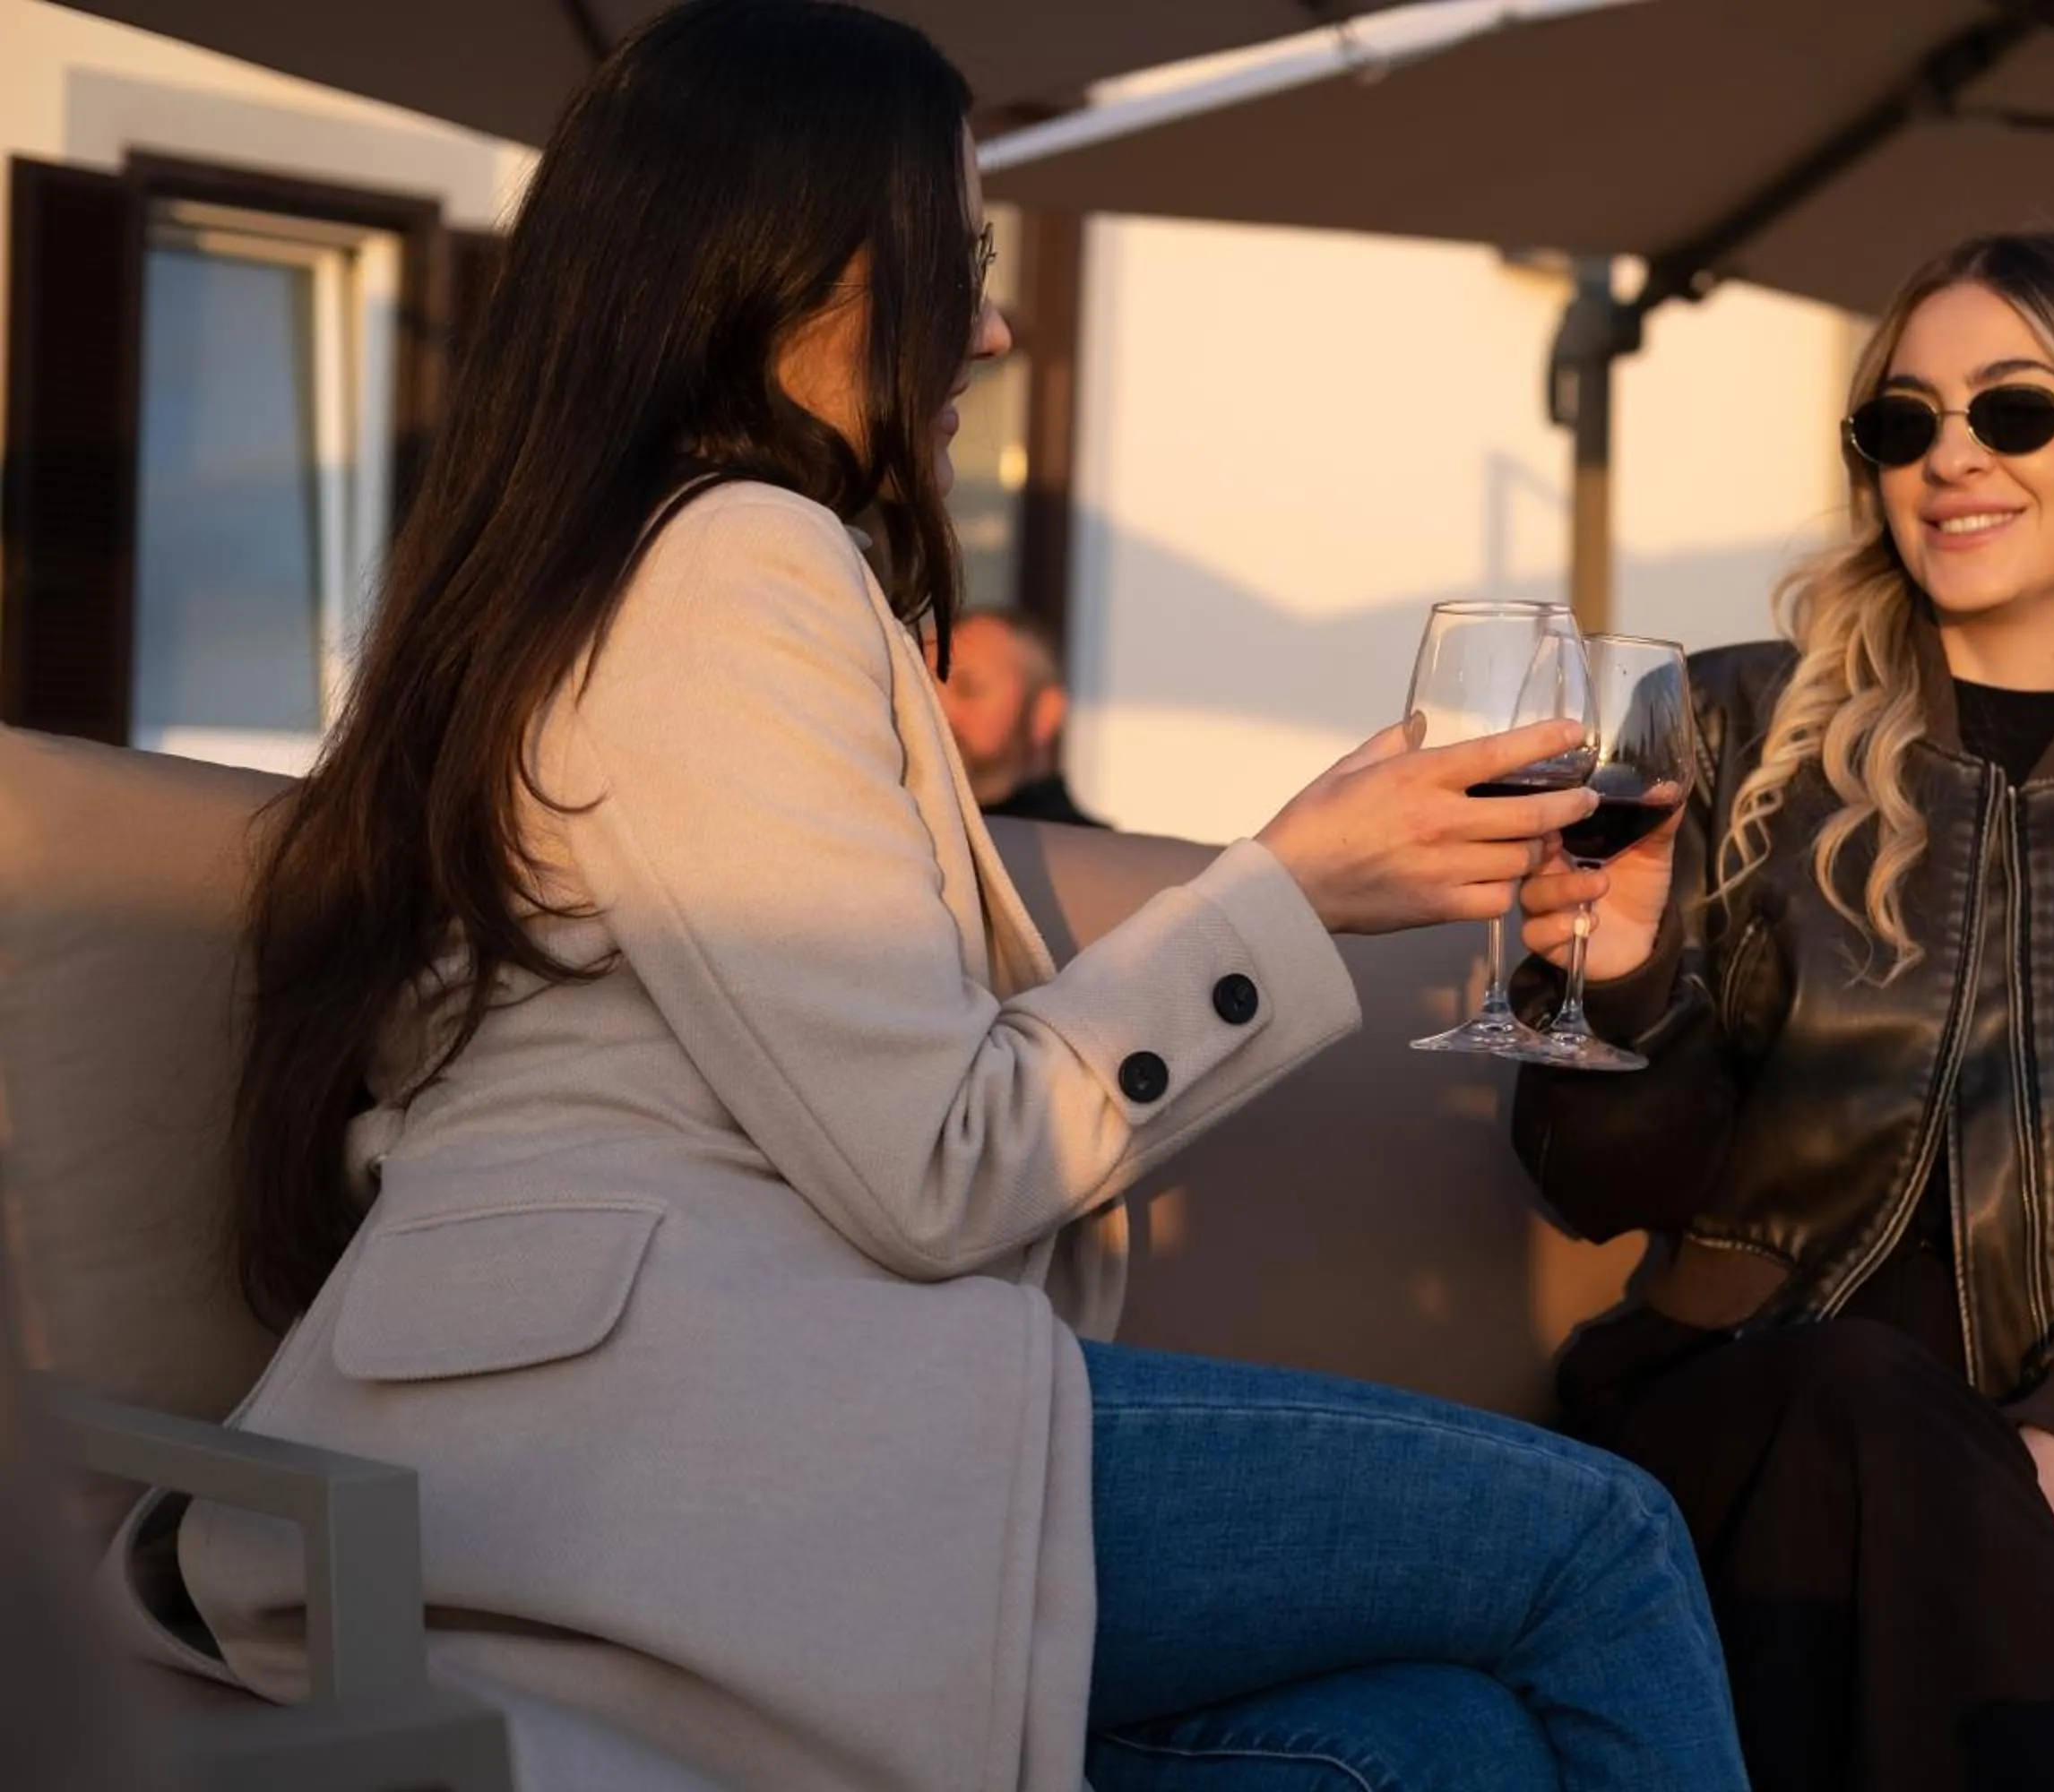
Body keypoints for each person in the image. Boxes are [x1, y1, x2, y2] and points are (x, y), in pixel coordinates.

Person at [143, 5, 1752, 1790]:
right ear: (783, 271)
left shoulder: (570, 579)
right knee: (1599, 1547)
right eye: (952, 261)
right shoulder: (732, 559)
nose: (989, 321)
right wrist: (1291, 894)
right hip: (673, 1450)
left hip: (626, 1429)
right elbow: (935, 1166)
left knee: (1428, 1745)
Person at [1512, 232, 2054, 1791]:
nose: (1951, 458)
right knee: (1858, 1401)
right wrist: (1623, 982)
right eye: (1904, 423)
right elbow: (1591, 1182)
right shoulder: (1730, 726)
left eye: (2015, 411)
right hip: (1745, 1422)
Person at [938, 607, 1108, 827]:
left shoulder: (1096, 855)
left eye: (969, 689)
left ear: (1045, 713)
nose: (942, 711)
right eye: (922, 693)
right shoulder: (900, 839)